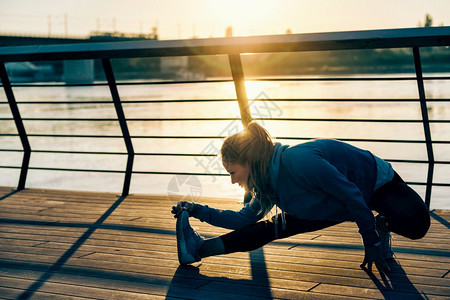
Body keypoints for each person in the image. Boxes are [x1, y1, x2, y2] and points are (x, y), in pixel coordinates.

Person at [171, 122, 430, 273]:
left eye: (234, 172)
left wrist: (372, 241)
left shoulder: (301, 162)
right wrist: (197, 210)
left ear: (250, 162)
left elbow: (351, 193)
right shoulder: (267, 185)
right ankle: (198, 248)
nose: (232, 180)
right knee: (267, 230)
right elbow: (242, 219)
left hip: (374, 182)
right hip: (325, 205)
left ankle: (381, 224)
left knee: (418, 225)